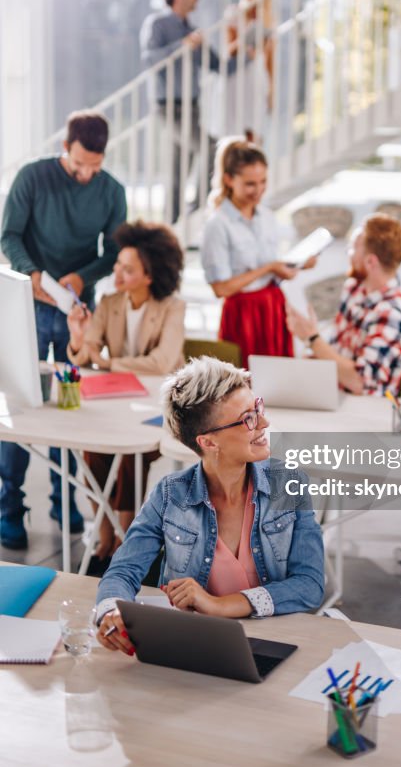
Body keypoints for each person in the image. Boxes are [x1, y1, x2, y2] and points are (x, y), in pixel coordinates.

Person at [95, 357, 324, 651]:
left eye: (258, 408)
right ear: (208, 443)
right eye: (248, 419)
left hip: (272, 643)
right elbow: (122, 572)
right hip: (193, 646)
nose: (264, 423)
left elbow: (310, 584)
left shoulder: (290, 484)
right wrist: (111, 611)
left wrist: (219, 606)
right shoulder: (169, 496)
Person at [0, 111, 127, 550]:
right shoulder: (32, 178)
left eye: (94, 165)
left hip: (77, 311)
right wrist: (32, 273)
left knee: (70, 409)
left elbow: (112, 252)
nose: (86, 173)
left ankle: (66, 498)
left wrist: (80, 277)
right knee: (23, 406)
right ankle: (9, 506)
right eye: (78, 165)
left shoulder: (112, 191)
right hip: (28, 308)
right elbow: (8, 235)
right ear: (65, 148)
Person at [67, 220, 186, 560]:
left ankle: (126, 535)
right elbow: (88, 353)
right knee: (93, 451)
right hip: (118, 404)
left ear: (150, 276)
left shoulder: (172, 307)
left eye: (128, 269)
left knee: (130, 453)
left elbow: (163, 362)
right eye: (117, 265)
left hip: (160, 407)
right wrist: (79, 338)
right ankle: (105, 535)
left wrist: (108, 363)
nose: (117, 275)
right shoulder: (109, 302)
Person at [200, 139, 310, 363]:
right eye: (250, 184)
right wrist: (268, 268)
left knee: (279, 383)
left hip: (273, 307)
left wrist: (295, 264)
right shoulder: (218, 225)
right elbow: (221, 288)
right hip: (243, 315)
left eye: (263, 182)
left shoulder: (267, 217)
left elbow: (271, 265)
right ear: (229, 180)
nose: (258, 190)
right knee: (244, 386)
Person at [286, 214, 401, 396]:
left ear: (370, 262)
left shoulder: (392, 312)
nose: (348, 253)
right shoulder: (354, 288)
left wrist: (312, 339)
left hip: (363, 410)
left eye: (352, 249)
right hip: (332, 394)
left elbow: (361, 383)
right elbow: (336, 349)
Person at [140, 0, 220, 223]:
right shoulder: (158, 24)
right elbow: (151, 60)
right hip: (168, 107)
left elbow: (216, 65)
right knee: (210, 148)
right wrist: (183, 46)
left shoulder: (193, 31)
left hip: (191, 107)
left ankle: (172, 226)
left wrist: (245, 51)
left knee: (178, 172)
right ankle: (196, 210)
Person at [225, 0, 274, 142]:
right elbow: (229, 51)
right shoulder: (233, 13)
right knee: (238, 130)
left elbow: (270, 60)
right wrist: (245, 42)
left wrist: (271, 93)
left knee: (257, 130)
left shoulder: (267, 19)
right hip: (239, 77)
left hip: (258, 76)